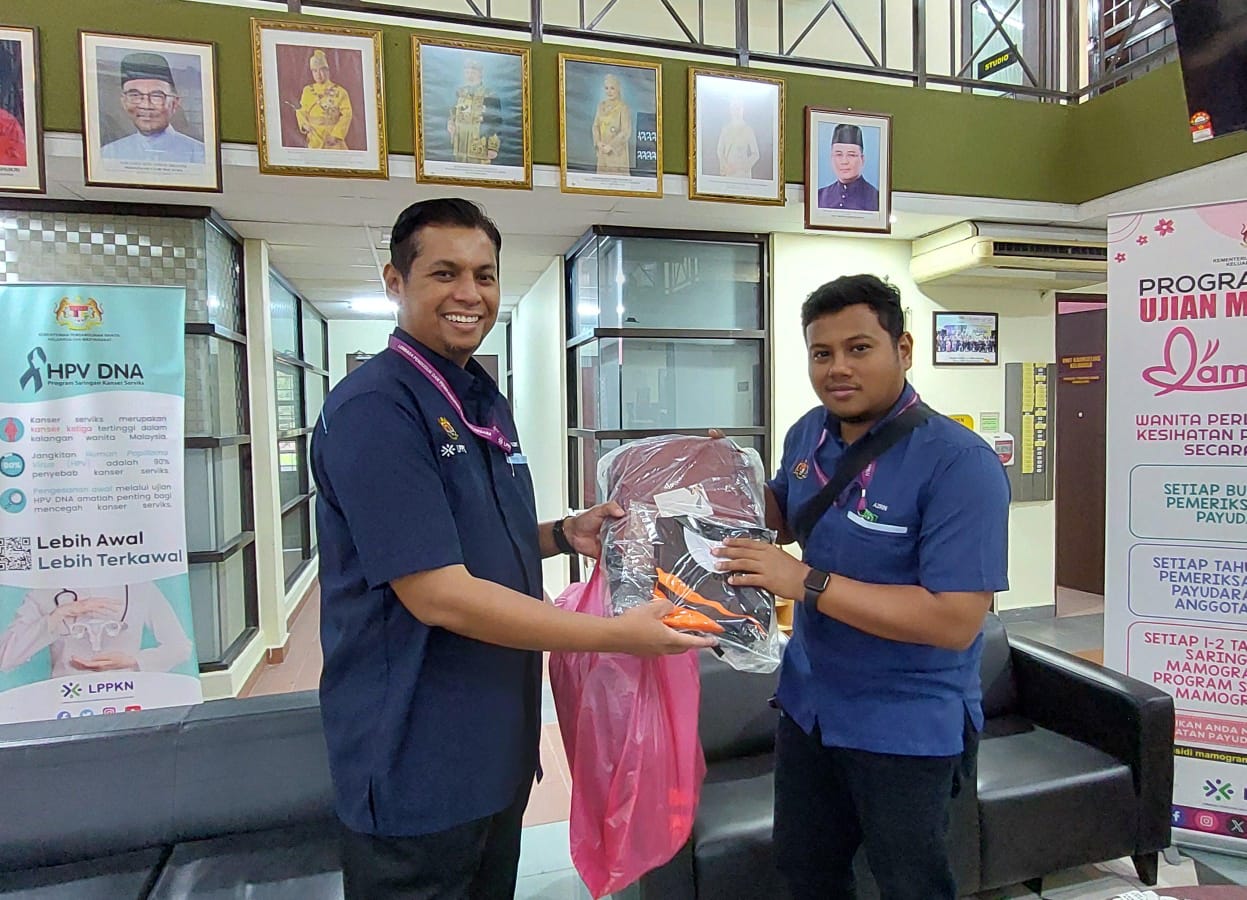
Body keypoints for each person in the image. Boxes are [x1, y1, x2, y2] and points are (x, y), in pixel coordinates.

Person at [311, 197, 714, 900]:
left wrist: (561, 534)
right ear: (395, 282)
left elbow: (464, 537)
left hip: (494, 745)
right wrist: (615, 635)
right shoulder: (376, 409)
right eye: (444, 273)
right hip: (415, 759)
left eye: (484, 275)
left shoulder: (476, 398)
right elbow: (438, 593)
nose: (469, 293)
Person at [715, 274, 1010, 900]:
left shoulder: (960, 464)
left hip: (905, 725)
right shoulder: (808, 433)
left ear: (903, 349)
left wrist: (805, 581)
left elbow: (954, 620)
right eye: (822, 353)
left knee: (911, 886)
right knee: (807, 873)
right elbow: (787, 515)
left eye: (859, 348)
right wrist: (726, 477)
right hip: (810, 709)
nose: (838, 368)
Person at [0, 582, 193, 676]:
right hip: (67, 699)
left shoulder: (139, 586)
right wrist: (56, 617)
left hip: (129, 697)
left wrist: (133, 661)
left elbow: (180, 648)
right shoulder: (44, 592)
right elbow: (5, 658)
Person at [100, 52, 205, 164]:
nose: (146, 105)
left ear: (174, 103)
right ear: (124, 102)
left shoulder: (200, 154)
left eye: (156, 96)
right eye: (135, 95)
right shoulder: (108, 154)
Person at [446, 55, 501, 165]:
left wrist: (492, 146)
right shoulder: (459, 92)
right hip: (460, 143)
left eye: (473, 72)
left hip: (480, 143)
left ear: (480, 73)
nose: (470, 75)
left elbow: (495, 121)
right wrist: (450, 123)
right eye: (467, 72)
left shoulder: (490, 94)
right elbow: (452, 113)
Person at [294, 49, 352, 150]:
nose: (318, 74)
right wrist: (304, 125)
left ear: (327, 70)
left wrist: (336, 135)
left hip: (332, 138)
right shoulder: (307, 90)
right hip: (314, 138)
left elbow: (347, 114)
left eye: (321, 70)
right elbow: (301, 111)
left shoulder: (340, 91)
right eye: (315, 71)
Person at [816, 123, 879, 212]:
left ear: (862, 159)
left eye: (851, 155)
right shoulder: (819, 196)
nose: (844, 161)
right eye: (838, 155)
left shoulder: (876, 199)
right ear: (831, 158)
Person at [592, 73, 631, 175]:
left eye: (612, 88)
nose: (609, 91)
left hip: (617, 155)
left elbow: (625, 131)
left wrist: (611, 146)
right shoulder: (601, 106)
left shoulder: (623, 108)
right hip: (602, 153)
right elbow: (595, 126)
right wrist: (598, 142)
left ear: (618, 89)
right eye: (606, 88)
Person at [716, 96, 760, 179]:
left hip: (743, 174)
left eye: (738, 108)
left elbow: (756, 154)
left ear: (743, 110)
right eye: (734, 108)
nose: (736, 111)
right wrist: (726, 166)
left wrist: (743, 166)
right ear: (730, 110)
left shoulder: (748, 130)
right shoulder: (725, 129)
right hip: (729, 173)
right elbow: (719, 150)